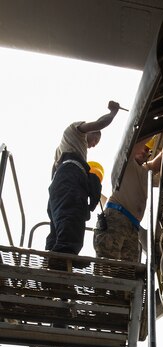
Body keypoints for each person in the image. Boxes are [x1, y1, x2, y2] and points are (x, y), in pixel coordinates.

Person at [45, 101, 120, 261]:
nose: (92, 146)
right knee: (72, 213)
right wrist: (113, 112)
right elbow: (100, 124)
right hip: (70, 176)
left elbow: (54, 178)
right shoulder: (75, 131)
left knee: (57, 222)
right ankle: (66, 255)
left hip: (58, 183)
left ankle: (53, 255)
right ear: (90, 132)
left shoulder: (63, 150)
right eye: (94, 141)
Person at [93, 139, 163, 263]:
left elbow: (158, 162)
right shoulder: (126, 162)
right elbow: (132, 145)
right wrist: (152, 131)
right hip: (116, 218)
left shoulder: (146, 170)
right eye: (144, 147)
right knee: (107, 265)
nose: (144, 151)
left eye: (147, 150)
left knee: (129, 271)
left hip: (133, 226)